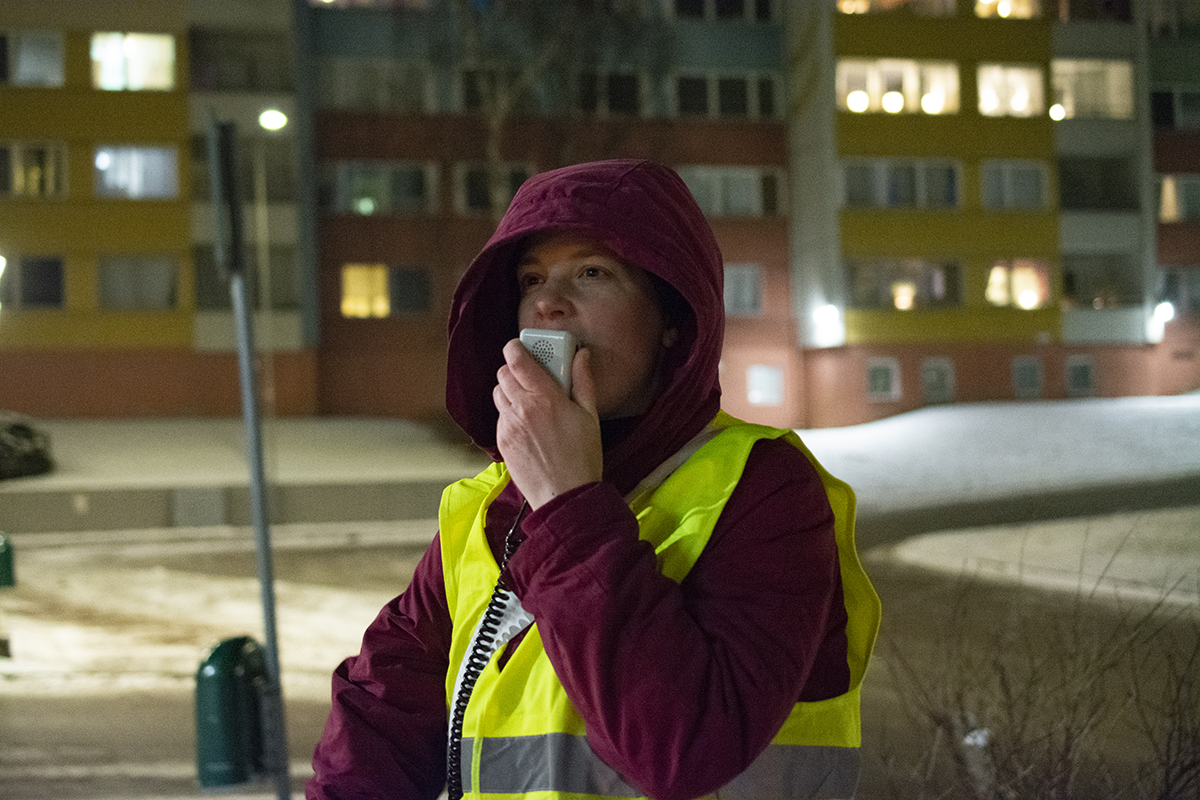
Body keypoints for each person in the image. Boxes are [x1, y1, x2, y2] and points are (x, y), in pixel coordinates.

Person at [307, 159, 880, 800]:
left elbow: (681, 748)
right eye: (531, 279)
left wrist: (567, 502)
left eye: (591, 272)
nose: (548, 300)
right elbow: (381, 715)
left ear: (672, 319)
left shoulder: (763, 489)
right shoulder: (483, 508)